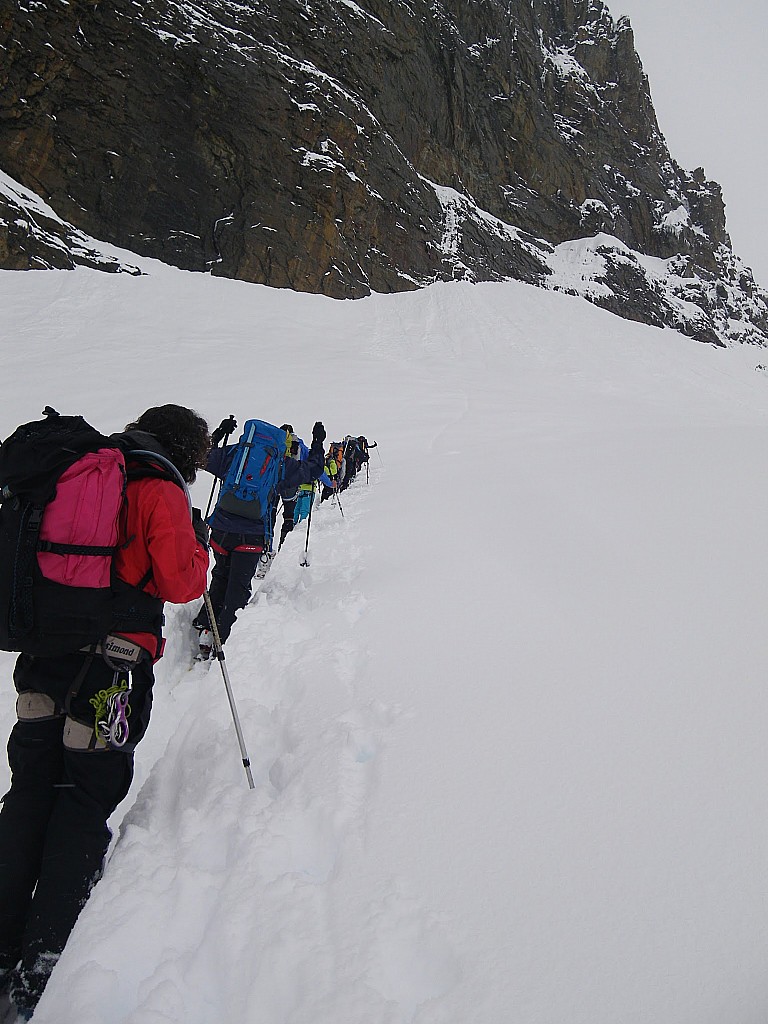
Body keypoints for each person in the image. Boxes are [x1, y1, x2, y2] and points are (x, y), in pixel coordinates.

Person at [0, 404, 211, 1020]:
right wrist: (195, 545)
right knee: (84, 798)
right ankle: (43, 963)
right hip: (111, 668)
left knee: (31, 788)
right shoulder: (158, 487)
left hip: (42, 659)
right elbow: (180, 583)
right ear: (186, 450)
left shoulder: (82, 469)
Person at [194, 419, 326, 657]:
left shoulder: (236, 453)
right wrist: (317, 442)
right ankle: (222, 639)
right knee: (238, 587)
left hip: (221, 530)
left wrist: (219, 433)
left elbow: (202, 456)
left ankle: (206, 625)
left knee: (221, 575)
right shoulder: (280, 464)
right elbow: (314, 469)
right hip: (251, 536)